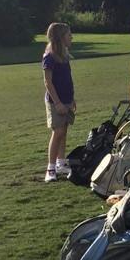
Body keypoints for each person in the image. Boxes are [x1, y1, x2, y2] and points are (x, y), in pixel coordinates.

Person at [42, 22, 76, 183]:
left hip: (67, 99)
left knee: (64, 130)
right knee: (58, 133)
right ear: (60, 37)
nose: (71, 37)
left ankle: (61, 163)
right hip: (56, 102)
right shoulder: (49, 57)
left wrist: (71, 99)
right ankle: (50, 168)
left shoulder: (64, 55)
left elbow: (67, 79)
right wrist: (58, 103)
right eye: (69, 35)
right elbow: (48, 82)